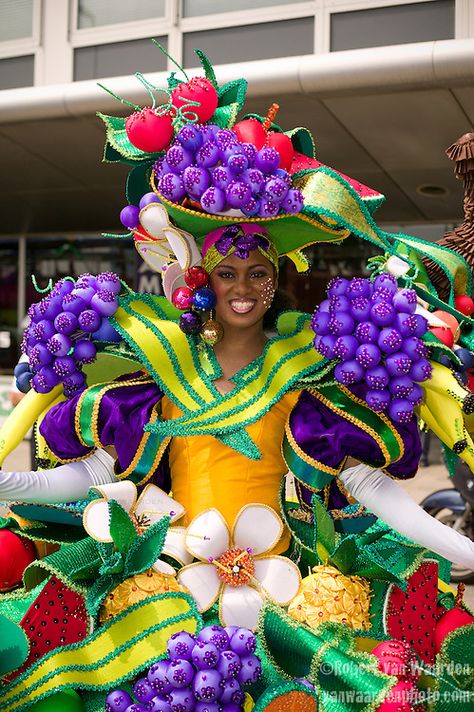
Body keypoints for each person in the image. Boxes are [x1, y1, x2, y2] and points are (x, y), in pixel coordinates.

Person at [1, 51, 474, 711]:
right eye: (228, 272)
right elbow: (88, 475)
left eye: (258, 273)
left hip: (281, 589)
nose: (244, 288)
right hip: (167, 589)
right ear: (205, 279)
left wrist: (456, 546)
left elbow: (363, 482)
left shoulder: (300, 368)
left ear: (276, 280)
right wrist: (9, 480)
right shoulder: (166, 365)